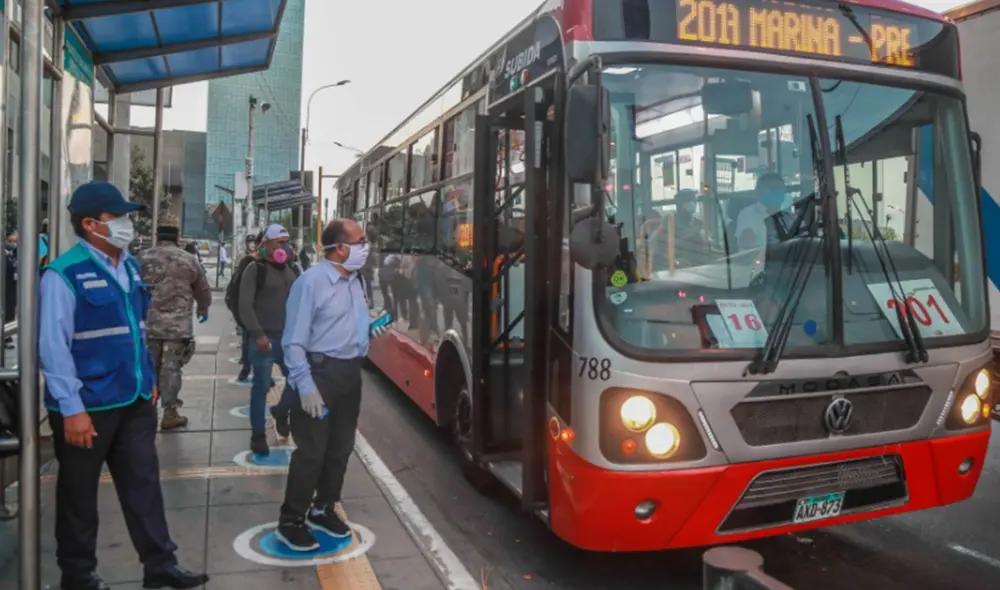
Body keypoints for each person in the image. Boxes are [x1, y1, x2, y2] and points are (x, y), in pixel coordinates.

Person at [39, 181, 208, 590]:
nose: (128, 224)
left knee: (144, 487)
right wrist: (71, 409)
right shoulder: (64, 275)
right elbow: (52, 348)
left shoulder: (129, 267)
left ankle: (160, 566)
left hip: (133, 401)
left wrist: (148, 382)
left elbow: (138, 330)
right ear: (91, 224)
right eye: (119, 217)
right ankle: (77, 576)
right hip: (87, 408)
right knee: (78, 498)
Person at [276, 218, 389, 551]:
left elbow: (346, 326)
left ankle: (323, 507)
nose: (366, 247)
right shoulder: (311, 283)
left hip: (349, 376)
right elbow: (293, 341)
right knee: (312, 452)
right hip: (319, 375)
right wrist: (304, 385)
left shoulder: (356, 281)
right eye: (360, 241)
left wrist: (370, 329)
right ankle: (291, 520)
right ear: (340, 248)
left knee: (340, 448)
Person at [138, 214, 212, 431]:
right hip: (177, 329)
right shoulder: (189, 260)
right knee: (171, 369)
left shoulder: (141, 259)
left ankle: (146, 410)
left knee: (148, 368)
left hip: (148, 326)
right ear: (177, 235)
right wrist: (204, 308)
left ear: (157, 234)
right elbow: (203, 289)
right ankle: (170, 412)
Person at [237, 224, 300, 455]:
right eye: (280, 243)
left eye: (287, 242)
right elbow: (245, 306)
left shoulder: (292, 269)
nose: (286, 247)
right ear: (266, 245)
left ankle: (281, 411)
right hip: (263, 339)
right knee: (261, 388)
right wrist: (258, 334)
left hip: (289, 340)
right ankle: (258, 436)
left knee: (298, 380)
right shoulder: (255, 269)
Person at [4, 232, 17, 349]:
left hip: (10, 287)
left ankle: (7, 337)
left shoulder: (9, 253)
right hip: (5, 287)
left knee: (9, 311)